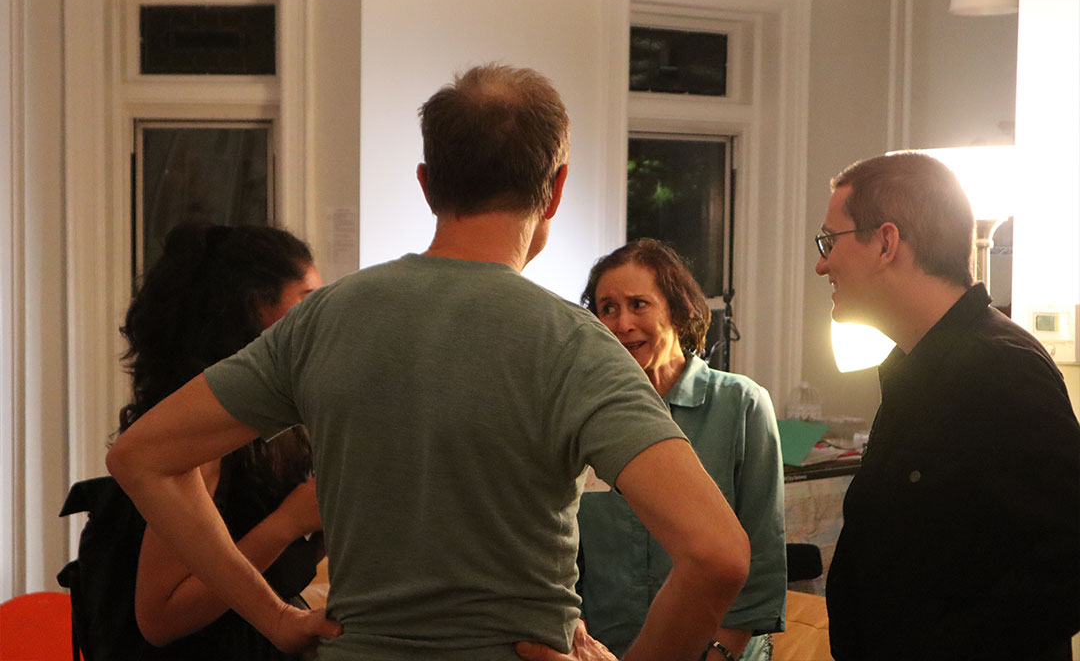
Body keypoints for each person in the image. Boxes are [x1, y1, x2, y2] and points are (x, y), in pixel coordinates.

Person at [105, 64, 751, 661]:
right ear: (555, 189)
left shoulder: (324, 319)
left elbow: (142, 457)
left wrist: (273, 617)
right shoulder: (576, 345)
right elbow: (718, 554)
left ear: (427, 183)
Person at [815, 152, 1080, 660]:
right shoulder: (916, 367)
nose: (822, 263)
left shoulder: (1000, 368)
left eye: (830, 241)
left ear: (887, 243)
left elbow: (1063, 566)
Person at [75, 222, 325, 660]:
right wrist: (288, 522)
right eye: (306, 301)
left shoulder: (259, 426)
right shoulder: (203, 445)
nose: (318, 321)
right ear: (254, 309)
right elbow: (160, 617)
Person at [576, 239, 786, 661]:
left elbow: (762, 553)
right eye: (608, 308)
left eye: (639, 304)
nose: (622, 323)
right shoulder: (584, 413)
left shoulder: (741, 405)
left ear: (677, 309)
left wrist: (719, 653)